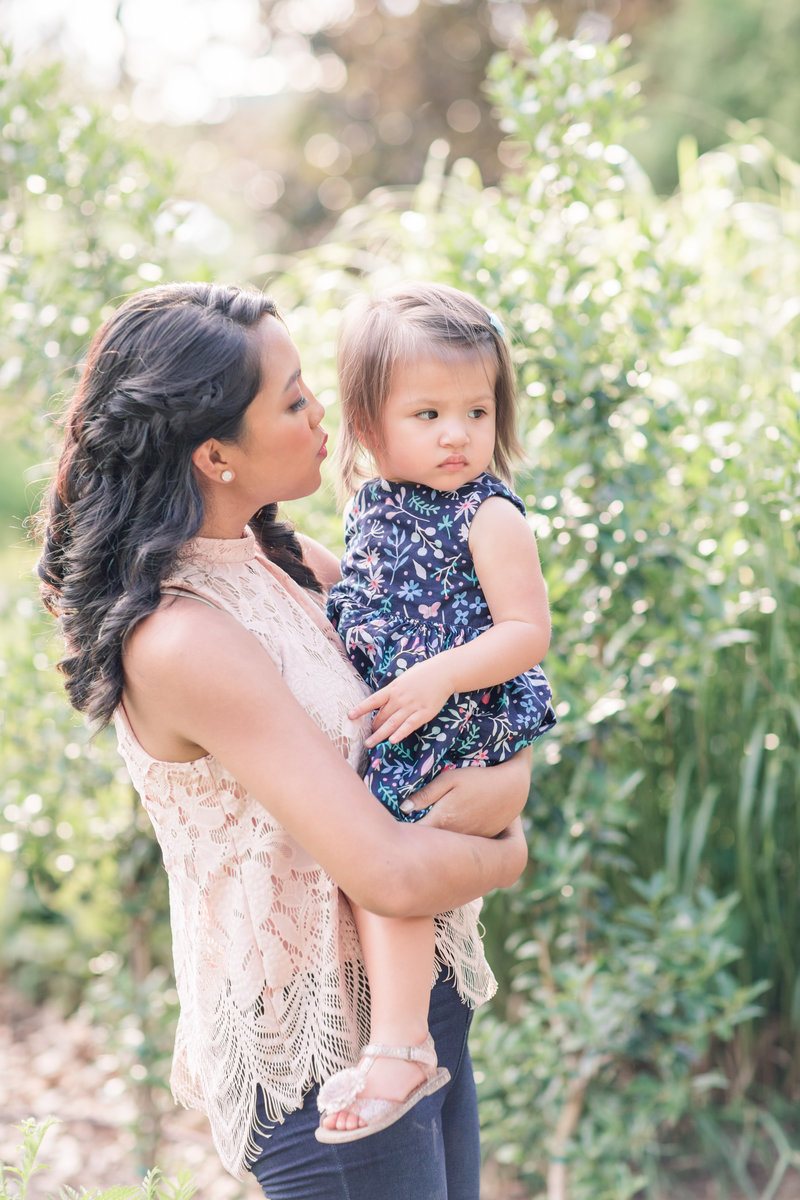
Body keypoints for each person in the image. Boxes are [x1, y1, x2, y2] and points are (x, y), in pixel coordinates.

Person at [36, 281, 533, 1200]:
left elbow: (461, 697)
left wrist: (510, 780)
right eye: (295, 400)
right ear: (215, 454)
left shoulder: (293, 563)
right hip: (319, 1054)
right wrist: (510, 850)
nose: (324, 416)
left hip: (416, 1004)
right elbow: (388, 873)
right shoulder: (184, 637)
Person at [315, 282, 556, 1143]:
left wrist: (441, 679)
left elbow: (527, 630)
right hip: (416, 711)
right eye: (428, 414)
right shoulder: (374, 505)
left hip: (457, 710)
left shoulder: (486, 513)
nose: (457, 435)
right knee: (378, 846)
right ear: (367, 424)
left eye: (476, 412)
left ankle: (401, 1043)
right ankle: (399, 1035)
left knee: (386, 847)